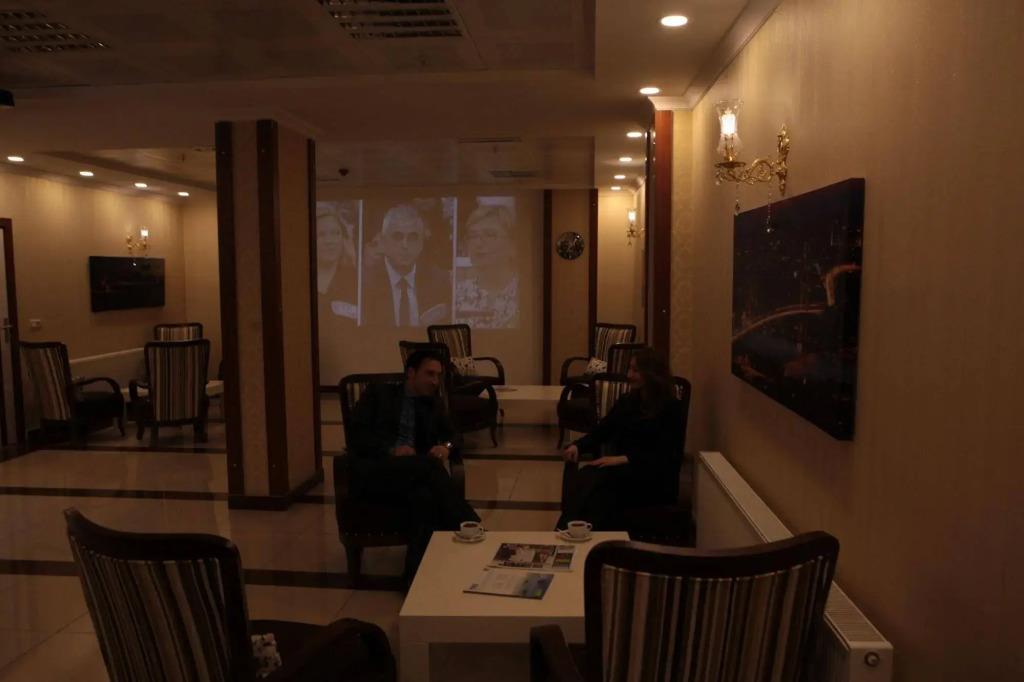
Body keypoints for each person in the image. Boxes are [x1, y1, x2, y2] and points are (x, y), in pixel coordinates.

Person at [347, 349, 479, 582]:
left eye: (438, 375)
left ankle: (414, 578)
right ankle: (473, 525)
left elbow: (454, 436)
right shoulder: (379, 394)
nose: (435, 381)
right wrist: (391, 450)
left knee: (425, 497)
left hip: (413, 475)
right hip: (377, 469)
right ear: (411, 373)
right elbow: (357, 436)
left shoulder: (432, 404)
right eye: (429, 374)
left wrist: (446, 447)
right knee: (430, 467)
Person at [556, 349, 685, 531]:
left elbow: (667, 455)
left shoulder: (671, 408)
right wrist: (578, 446)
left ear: (652, 374)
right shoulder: (628, 402)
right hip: (622, 470)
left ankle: (575, 533)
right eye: (629, 369)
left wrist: (624, 459)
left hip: (652, 476)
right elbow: (603, 430)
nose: (629, 375)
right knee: (585, 477)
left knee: (599, 488)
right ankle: (570, 532)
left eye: (636, 370)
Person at [362, 204, 451, 327]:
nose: (405, 245)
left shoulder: (440, 280)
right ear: (383, 241)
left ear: (421, 243)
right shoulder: (364, 283)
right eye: (397, 237)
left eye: (413, 237)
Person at [455, 204, 519, 329]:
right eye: (473, 236)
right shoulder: (457, 294)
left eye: (490, 235)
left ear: (512, 245)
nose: (478, 243)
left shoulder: (526, 293)